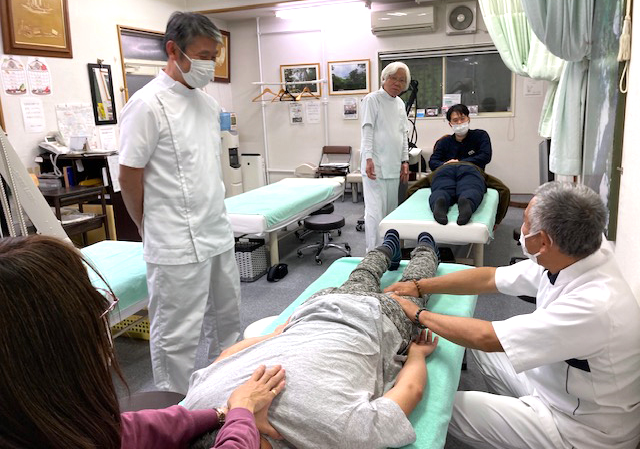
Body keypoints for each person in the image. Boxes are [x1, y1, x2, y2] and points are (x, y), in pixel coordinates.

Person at [386, 182, 640, 449]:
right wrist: (420, 286)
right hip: (553, 385)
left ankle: (518, 427)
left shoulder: (595, 304)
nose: (522, 229)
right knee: (473, 345)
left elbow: (487, 337)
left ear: (545, 242)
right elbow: (490, 278)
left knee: (438, 405)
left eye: (527, 223)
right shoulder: (576, 250)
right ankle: (512, 420)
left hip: (580, 430)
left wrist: (418, 314)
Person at [0, 235, 285, 449]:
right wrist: (241, 413)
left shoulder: (41, 425)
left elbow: (121, 432)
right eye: (97, 316)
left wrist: (221, 414)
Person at [183, 229, 441, 449]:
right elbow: (226, 356)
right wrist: (276, 334)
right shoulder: (195, 405)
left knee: (414, 287)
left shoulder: (339, 432)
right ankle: (388, 247)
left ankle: (427, 250)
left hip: (379, 320)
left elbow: (411, 391)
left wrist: (416, 356)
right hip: (317, 308)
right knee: (362, 274)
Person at [119, 12, 241, 393]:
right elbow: (128, 176)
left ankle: (227, 395)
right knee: (177, 339)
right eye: (203, 56)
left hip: (216, 231)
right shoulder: (146, 105)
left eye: (214, 56)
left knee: (229, 324)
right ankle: (173, 409)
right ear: (173, 50)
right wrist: (146, 224)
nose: (210, 65)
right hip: (174, 243)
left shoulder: (208, 104)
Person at [360, 62, 411, 253]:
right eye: (393, 78)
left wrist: (405, 161)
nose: (397, 83)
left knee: (390, 213)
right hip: (375, 166)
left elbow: (403, 134)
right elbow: (367, 130)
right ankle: (373, 253)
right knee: (375, 213)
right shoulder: (372, 99)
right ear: (384, 78)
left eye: (402, 80)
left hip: (394, 165)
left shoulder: (400, 104)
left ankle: (389, 252)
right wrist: (368, 158)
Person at [428, 103, 492, 225]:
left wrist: (462, 162)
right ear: (450, 124)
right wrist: (445, 164)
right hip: (446, 170)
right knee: (442, 186)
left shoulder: (480, 136)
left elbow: (485, 156)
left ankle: (466, 202)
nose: (459, 123)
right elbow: (432, 162)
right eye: (455, 120)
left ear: (469, 119)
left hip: (471, 169)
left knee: (471, 185)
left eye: (462, 119)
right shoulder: (444, 142)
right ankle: (439, 202)